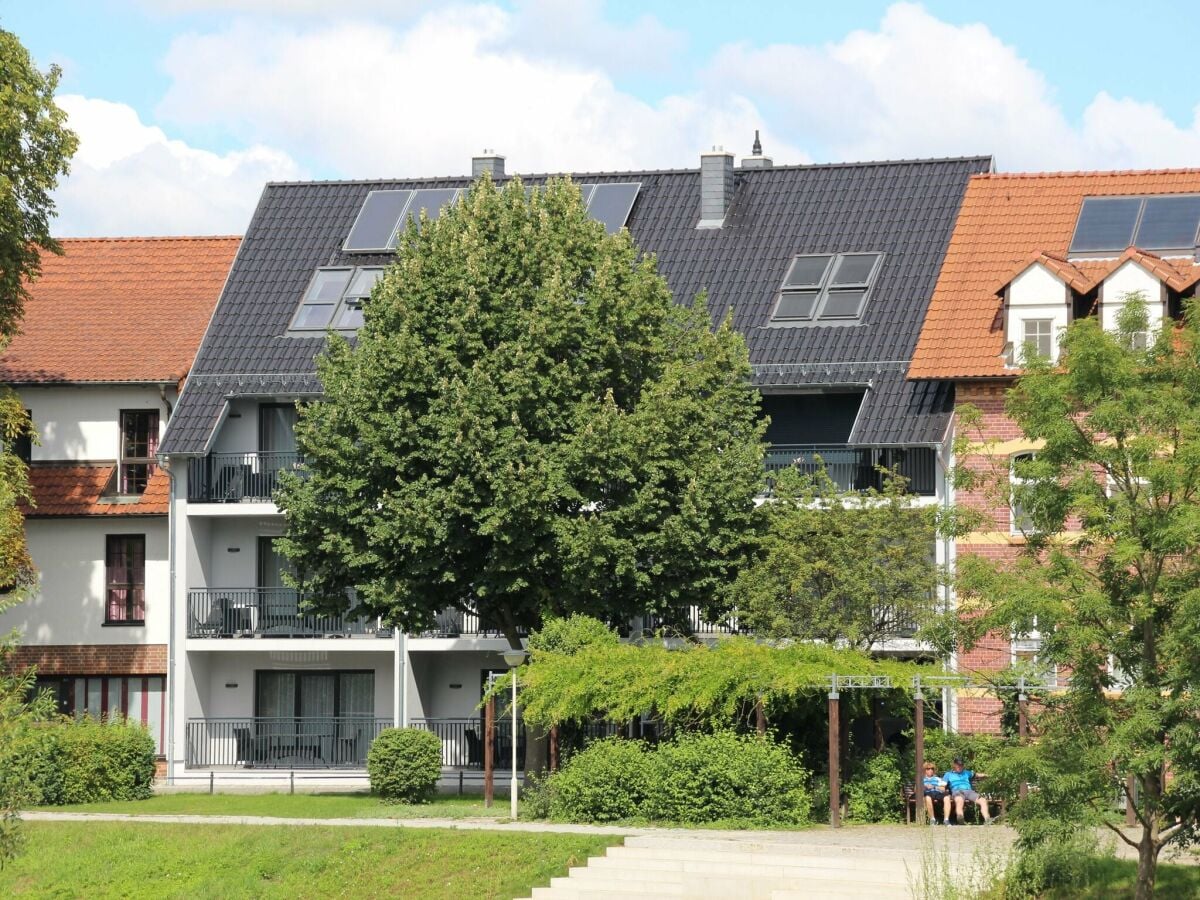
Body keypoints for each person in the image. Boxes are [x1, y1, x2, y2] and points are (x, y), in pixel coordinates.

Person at [943, 756, 992, 824]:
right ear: (954, 765)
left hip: (969, 791)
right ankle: (960, 818)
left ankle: (987, 819)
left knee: (983, 800)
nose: (960, 766)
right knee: (959, 801)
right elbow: (943, 784)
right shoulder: (948, 774)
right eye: (958, 765)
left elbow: (977, 775)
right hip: (957, 791)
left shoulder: (967, 772)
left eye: (961, 765)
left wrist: (988, 775)